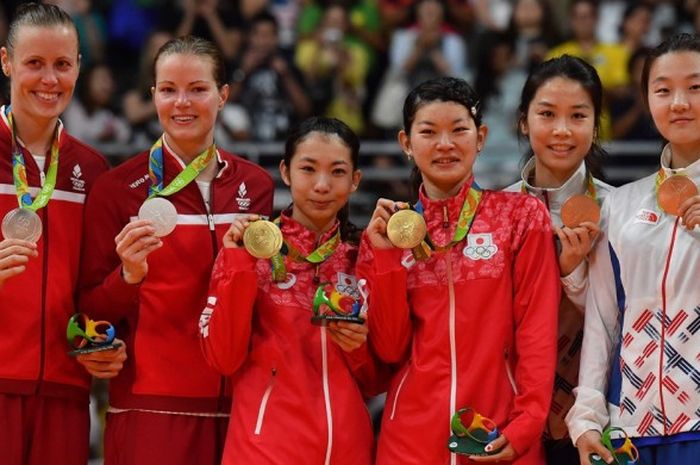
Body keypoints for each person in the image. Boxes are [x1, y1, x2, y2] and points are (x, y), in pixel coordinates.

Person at [78, 36, 274, 465]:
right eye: (168, 89)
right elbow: (90, 310)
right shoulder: (117, 190)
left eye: (198, 89)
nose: (182, 103)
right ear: (153, 96)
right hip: (152, 408)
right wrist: (128, 275)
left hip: (242, 405)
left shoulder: (255, 187)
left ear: (223, 95)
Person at [359, 76, 561, 464]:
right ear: (406, 143)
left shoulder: (519, 217)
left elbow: (537, 331)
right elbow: (389, 348)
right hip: (410, 444)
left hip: (500, 436)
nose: (445, 144)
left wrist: (527, 423)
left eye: (459, 130)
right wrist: (384, 258)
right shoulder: (386, 236)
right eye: (429, 132)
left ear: (481, 137)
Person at [200, 116, 382, 465]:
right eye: (308, 169)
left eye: (338, 172)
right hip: (264, 451)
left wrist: (358, 347)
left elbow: (376, 380)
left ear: (356, 180)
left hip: (348, 451)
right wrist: (240, 266)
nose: (322, 185)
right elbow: (223, 358)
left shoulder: (363, 257)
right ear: (285, 172)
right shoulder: (250, 251)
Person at [566, 32, 700, 465]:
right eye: (663, 89)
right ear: (646, 99)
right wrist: (586, 417)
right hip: (631, 428)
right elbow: (604, 317)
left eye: (695, 87)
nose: (678, 102)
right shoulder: (621, 204)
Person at [0, 4, 125, 465]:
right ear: (6, 62)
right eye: (34, 63)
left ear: (78, 67)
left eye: (62, 64)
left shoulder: (92, 170)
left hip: (65, 393)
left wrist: (109, 342)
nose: (49, 79)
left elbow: (95, 290)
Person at [504, 55, 615, 465]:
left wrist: (574, 274)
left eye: (578, 116)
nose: (562, 131)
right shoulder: (497, 212)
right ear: (523, 120)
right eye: (547, 114)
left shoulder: (620, 211)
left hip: (598, 417)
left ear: (596, 124)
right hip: (510, 415)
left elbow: (625, 321)